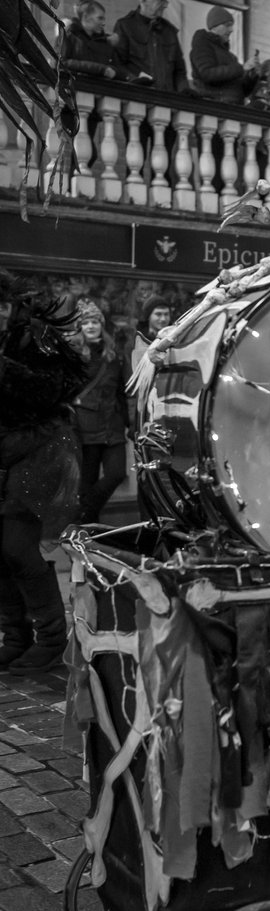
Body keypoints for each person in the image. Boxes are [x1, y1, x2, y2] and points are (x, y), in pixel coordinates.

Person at [0, 272, 87, 676]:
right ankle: (15, 638)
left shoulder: (36, 337)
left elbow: (53, 391)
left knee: (17, 546)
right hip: (7, 452)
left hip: (42, 450)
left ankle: (51, 638)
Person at [71, 299, 129, 524]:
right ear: (80, 327)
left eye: (95, 321)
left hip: (112, 426)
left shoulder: (113, 354)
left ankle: (83, 513)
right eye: (86, 322)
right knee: (87, 481)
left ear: (101, 325)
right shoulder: (75, 355)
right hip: (84, 426)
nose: (91, 326)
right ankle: (88, 530)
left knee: (116, 474)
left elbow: (122, 392)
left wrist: (129, 423)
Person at [113, 0, 189, 93]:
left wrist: (185, 91)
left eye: (165, 1)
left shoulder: (169, 31)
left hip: (168, 100)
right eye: (161, 0)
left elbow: (179, 71)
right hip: (136, 97)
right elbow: (117, 62)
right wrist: (135, 79)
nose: (165, 5)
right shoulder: (125, 26)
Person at [190, 7, 260, 105]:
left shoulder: (231, 57)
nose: (231, 30)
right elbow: (207, 74)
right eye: (227, 25)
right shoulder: (202, 45)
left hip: (231, 109)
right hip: (214, 108)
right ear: (215, 26)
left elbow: (242, 91)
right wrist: (242, 68)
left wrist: (252, 75)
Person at [60, 0, 128, 81]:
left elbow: (117, 68)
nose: (103, 23)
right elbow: (60, 62)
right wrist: (101, 69)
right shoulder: (69, 36)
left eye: (104, 19)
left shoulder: (105, 42)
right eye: (100, 18)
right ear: (86, 17)